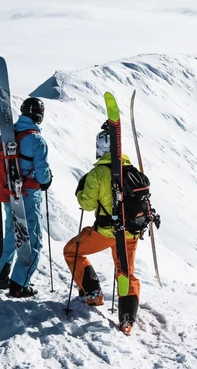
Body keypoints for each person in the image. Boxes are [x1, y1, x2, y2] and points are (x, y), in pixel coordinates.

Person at [63, 123, 160, 335]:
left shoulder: (97, 173)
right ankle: (127, 319)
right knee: (126, 272)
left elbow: (87, 204)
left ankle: (92, 293)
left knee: (71, 251)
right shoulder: (132, 171)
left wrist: (80, 191)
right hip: (131, 233)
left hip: (106, 233)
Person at [0, 97, 52, 297]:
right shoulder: (36, 140)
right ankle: (19, 284)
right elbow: (43, 175)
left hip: (8, 195)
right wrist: (47, 180)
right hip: (29, 196)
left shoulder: (6, 136)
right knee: (32, 240)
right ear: (39, 116)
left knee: (12, 236)